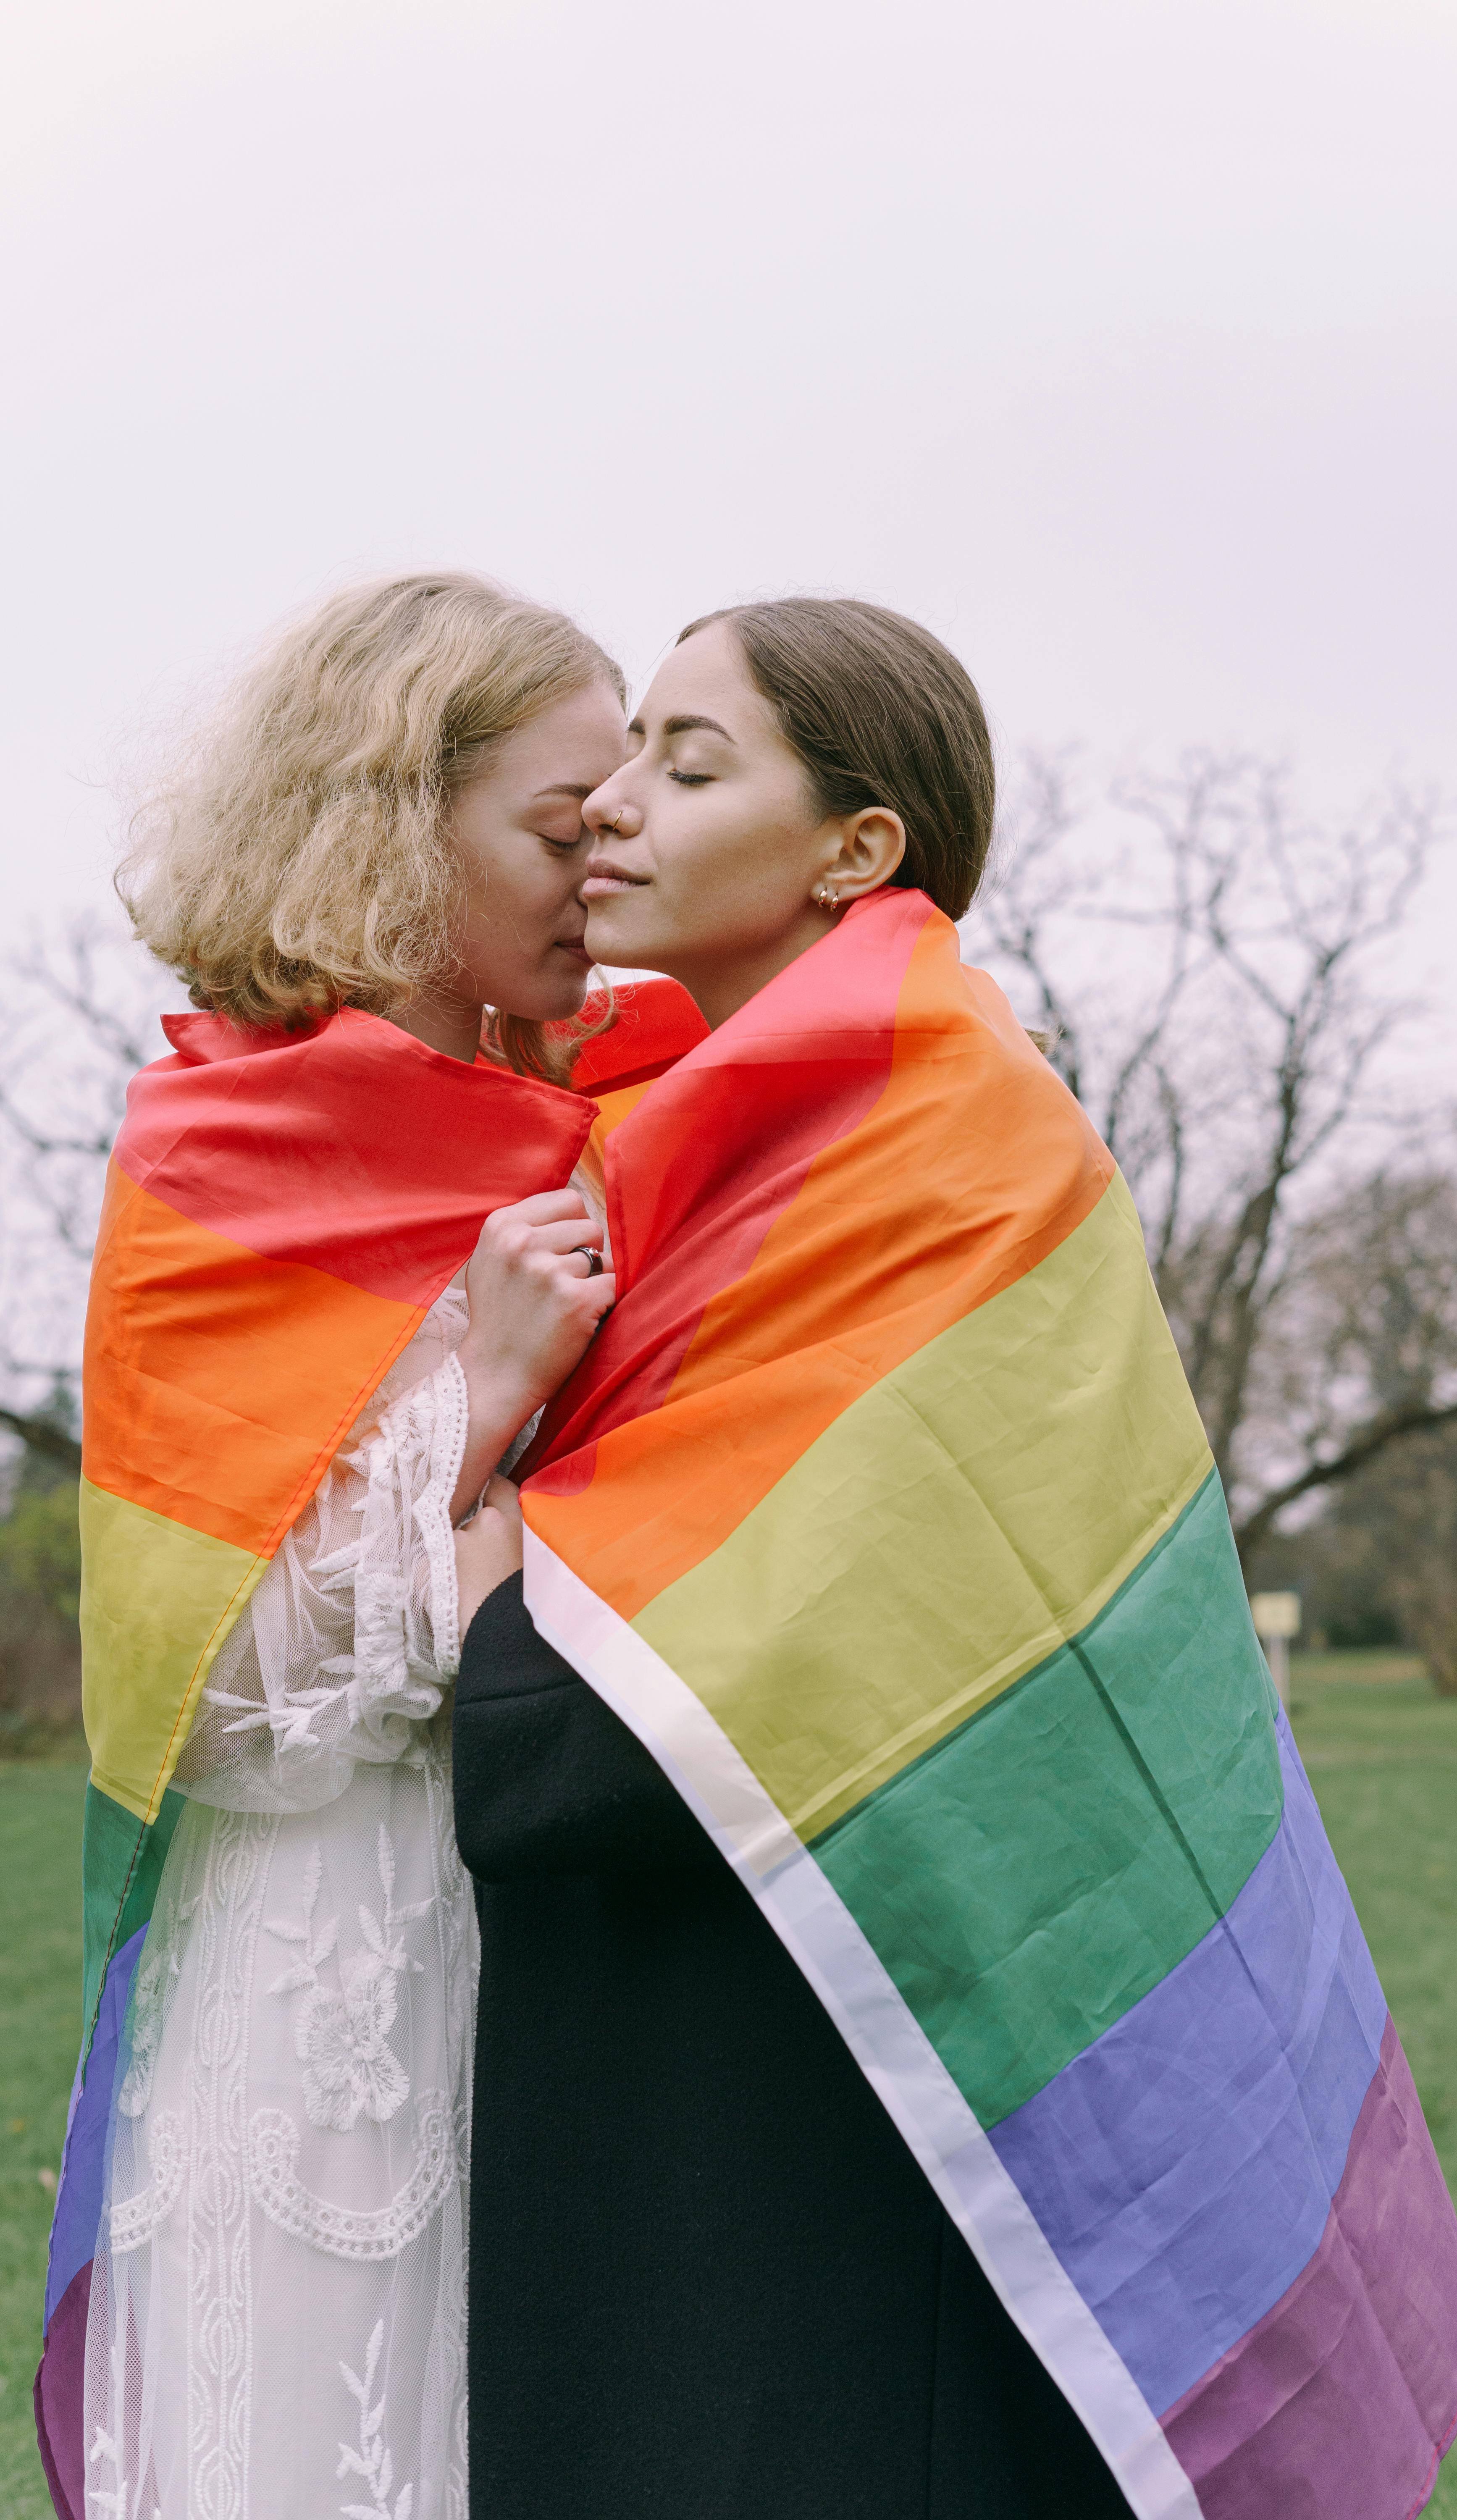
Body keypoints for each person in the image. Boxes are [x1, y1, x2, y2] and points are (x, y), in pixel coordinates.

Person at [452, 597, 1457, 2520]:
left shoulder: (927, 1132)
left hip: (847, 2006)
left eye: (691, 765)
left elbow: (792, 1616)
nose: (612, 805)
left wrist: (476, 1541)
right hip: (709, 1979)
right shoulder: (680, 1131)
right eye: (623, 758)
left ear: (856, 851)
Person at [41, 574, 629, 2520]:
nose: (605, 868)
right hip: (336, 1939)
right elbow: (205, 1696)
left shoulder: (613, 1112)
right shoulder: (213, 1155)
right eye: (563, 829)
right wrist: (475, 1404)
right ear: (394, 825)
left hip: (613, 1931)